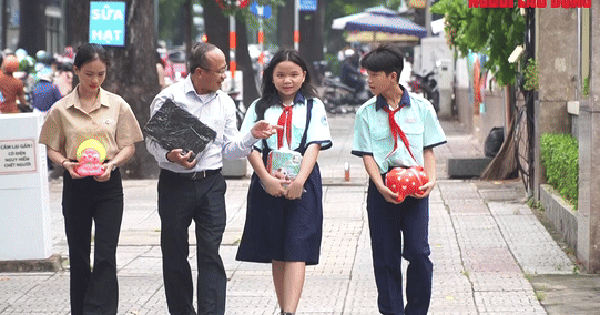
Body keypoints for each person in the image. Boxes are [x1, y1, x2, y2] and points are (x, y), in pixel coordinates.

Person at [145, 42, 280, 315]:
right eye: (218, 71)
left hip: (211, 184)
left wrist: (251, 135)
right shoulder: (169, 99)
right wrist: (171, 156)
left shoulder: (225, 102)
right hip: (175, 184)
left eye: (224, 70)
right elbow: (152, 141)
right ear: (198, 72)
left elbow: (229, 149)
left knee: (211, 253)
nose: (223, 76)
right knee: (174, 254)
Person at [38, 43, 144, 315]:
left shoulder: (117, 105)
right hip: (76, 185)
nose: (95, 81)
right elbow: (52, 147)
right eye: (88, 74)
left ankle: (105, 310)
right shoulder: (61, 110)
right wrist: (65, 163)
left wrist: (113, 164)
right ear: (75, 70)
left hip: (109, 184)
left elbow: (128, 145)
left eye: (100, 74)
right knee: (79, 256)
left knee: (106, 254)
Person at [351, 43, 446, 315]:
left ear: (392, 76)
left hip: (416, 188)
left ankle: (416, 310)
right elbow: (367, 154)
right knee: (385, 256)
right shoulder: (366, 113)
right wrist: (379, 185)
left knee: (418, 252)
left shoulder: (421, 108)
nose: (368, 80)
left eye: (374, 75)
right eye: (367, 74)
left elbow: (428, 149)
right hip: (382, 187)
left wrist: (432, 179)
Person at [235, 49, 333, 315]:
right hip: (267, 182)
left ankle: (290, 311)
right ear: (271, 77)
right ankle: (284, 309)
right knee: (277, 247)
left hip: (304, 182)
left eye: (293, 74)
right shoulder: (259, 107)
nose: (287, 80)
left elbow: (315, 144)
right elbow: (249, 145)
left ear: (303, 76)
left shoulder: (314, 106)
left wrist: (300, 180)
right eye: (280, 75)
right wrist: (265, 178)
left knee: (298, 246)